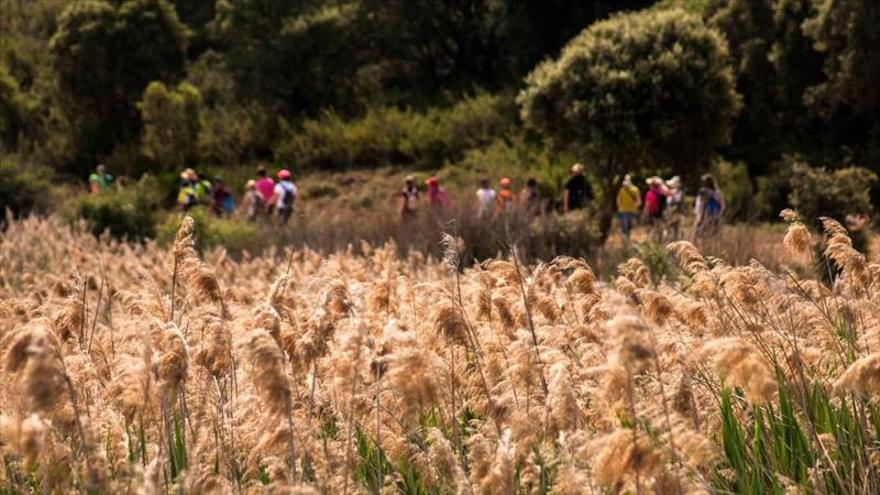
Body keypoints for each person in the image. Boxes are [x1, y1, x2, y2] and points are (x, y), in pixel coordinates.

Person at [616, 175, 641, 246]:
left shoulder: (621, 190)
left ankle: (626, 243)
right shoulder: (636, 189)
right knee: (630, 227)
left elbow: (618, 201)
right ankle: (628, 242)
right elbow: (639, 202)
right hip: (633, 211)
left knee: (624, 228)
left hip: (623, 211)